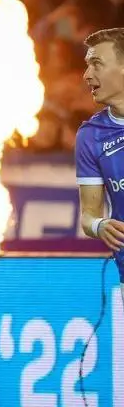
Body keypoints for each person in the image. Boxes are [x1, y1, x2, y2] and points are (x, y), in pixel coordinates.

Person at [76, 28, 124, 264]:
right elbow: (89, 216)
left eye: (97, 64)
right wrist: (100, 225)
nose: (86, 75)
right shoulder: (91, 135)